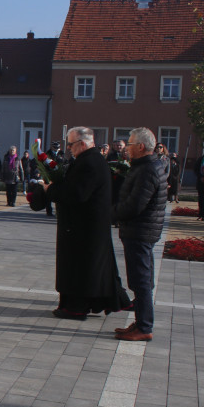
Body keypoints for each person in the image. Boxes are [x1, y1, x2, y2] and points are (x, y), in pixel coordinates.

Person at [38, 127, 130, 318]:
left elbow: (77, 194)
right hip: (84, 226)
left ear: (82, 143)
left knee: (81, 268)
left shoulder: (90, 163)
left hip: (84, 228)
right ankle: (95, 302)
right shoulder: (89, 160)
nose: (69, 148)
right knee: (90, 268)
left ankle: (76, 307)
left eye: (71, 144)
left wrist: (50, 190)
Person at [114, 127, 167, 342]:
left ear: (141, 146)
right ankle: (140, 321)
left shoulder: (148, 170)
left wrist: (111, 214)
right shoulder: (145, 166)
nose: (127, 148)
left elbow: (135, 205)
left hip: (140, 231)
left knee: (141, 280)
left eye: (130, 144)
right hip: (140, 230)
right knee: (140, 279)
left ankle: (144, 326)